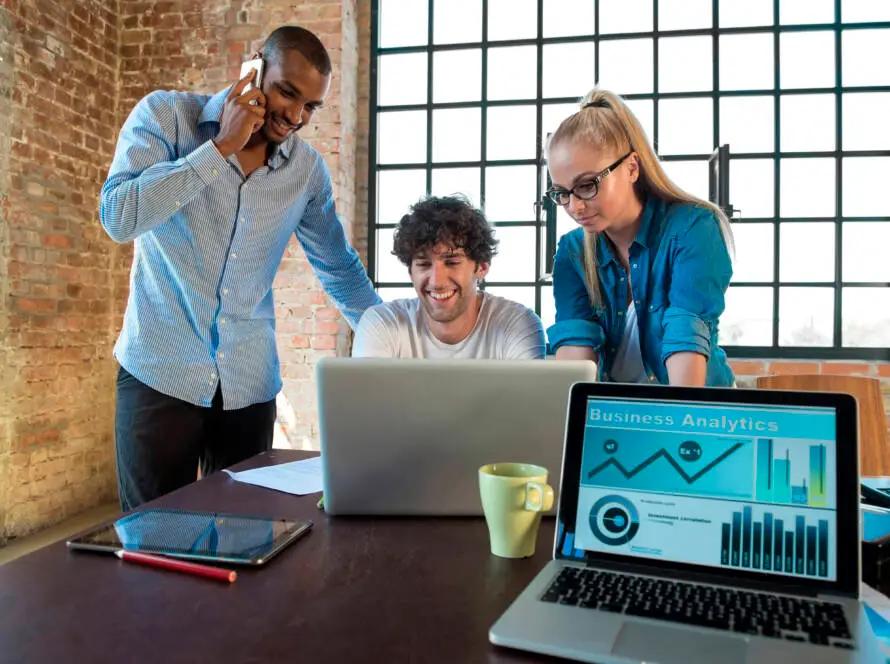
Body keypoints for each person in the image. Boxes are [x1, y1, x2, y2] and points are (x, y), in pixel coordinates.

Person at [99, 26, 381, 510]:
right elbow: (120, 217)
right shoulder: (166, 116)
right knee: (152, 552)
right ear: (255, 67)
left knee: (247, 545)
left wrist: (397, 345)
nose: (295, 116)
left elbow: (338, 267)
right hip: (159, 378)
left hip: (248, 389)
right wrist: (218, 149)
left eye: (310, 107)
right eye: (287, 92)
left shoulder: (306, 171)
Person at [545, 87, 734, 387]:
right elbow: (575, 356)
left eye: (587, 185)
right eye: (562, 193)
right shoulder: (572, 252)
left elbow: (685, 339)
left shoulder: (694, 228)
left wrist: (677, 430)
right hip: (618, 414)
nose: (574, 206)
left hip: (697, 411)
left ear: (632, 167)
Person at [352, 195, 545, 359]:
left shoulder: (518, 325)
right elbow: (369, 403)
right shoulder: (380, 324)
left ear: (482, 266)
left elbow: (528, 403)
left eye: (452, 263)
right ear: (410, 271)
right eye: (423, 264)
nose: (437, 282)